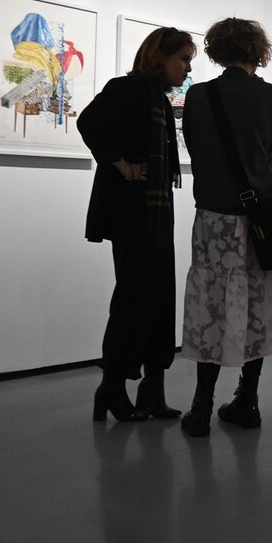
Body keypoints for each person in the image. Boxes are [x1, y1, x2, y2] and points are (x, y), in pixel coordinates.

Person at [179, 17, 272, 436]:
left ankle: (201, 406)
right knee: (257, 303)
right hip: (259, 216)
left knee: (210, 304)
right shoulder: (270, 96)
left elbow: (194, 145)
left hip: (212, 217)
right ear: (258, 51)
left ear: (216, 51)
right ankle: (247, 401)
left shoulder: (198, 95)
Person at [78, 26, 194, 422]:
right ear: (160, 57)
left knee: (160, 298)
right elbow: (89, 122)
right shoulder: (126, 89)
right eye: (183, 59)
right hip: (131, 211)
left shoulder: (158, 99)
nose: (187, 69)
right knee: (132, 300)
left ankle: (152, 388)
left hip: (156, 212)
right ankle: (112, 387)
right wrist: (123, 165)